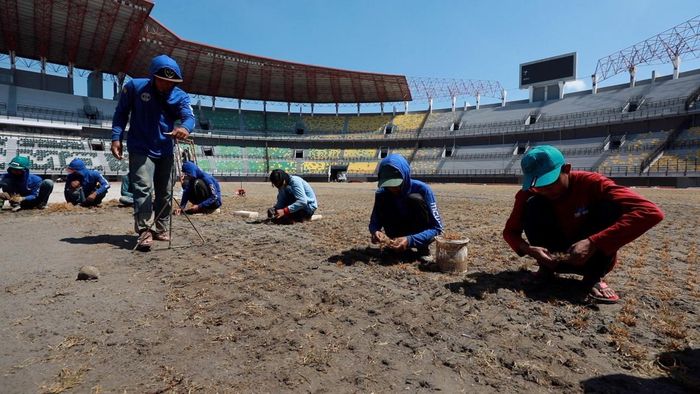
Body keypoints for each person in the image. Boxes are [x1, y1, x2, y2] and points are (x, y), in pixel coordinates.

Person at [503, 145, 664, 303]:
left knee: (612, 206)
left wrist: (593, 242)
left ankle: (593, 276)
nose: (545, 189)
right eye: (538, 184)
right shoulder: (530, 194)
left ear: (566, 169)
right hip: (553, 258)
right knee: (533, 204)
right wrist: (530, 250)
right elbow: (510, 232)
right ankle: (546, 270)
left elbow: (650, 212)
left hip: (591, 258)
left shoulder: (593, 183)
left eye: (551, 182)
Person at [111, 54, 195, 251]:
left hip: (165, 148)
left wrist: (185, 128)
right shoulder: (134, 87)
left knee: (165, 192)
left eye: (172, 82)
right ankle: (144, 230)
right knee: (143, 188)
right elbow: (121, 113)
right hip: (140, 147)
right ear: (153, 77)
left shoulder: (180, 96)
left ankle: (161, 227)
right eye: (163, 81)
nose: (167, 85)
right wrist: (116, 137)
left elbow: (189, 116)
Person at [369, 154, 444, 259]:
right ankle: (395, 245)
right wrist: (375, 231)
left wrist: (410, 240)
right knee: (384, 197)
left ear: (406, 175)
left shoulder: (422, 190)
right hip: (395, 234)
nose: (392, 188)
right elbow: (374, 221)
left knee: (414, 199)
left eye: (396, 184)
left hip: (419, 233)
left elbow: (437, 228)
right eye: (388, 185)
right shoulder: (382, 193)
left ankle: (422, 248)